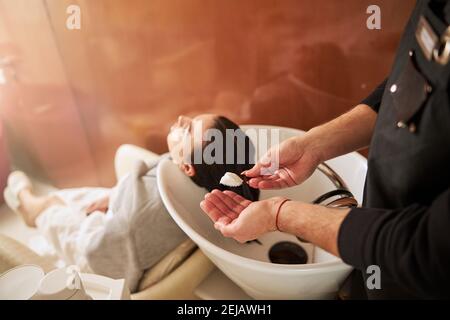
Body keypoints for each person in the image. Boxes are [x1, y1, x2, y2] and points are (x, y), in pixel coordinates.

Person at [200, 0, 450, 299]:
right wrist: (314, 144)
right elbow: (410, 78)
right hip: (372, 253)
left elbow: (429, 249)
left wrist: (278, 215)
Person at [3, 114, 259, 292]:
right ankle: (42, 201)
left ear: (188, 167)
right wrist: (113, 198)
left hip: (95, 246)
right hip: (119, 206)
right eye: (192, 120)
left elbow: (97, 250)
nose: (182, 120)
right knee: (71, 198)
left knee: (48, 206)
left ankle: (26, 200)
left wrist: (95, 222)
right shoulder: (202, 180)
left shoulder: (143, 214)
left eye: (189, 129)